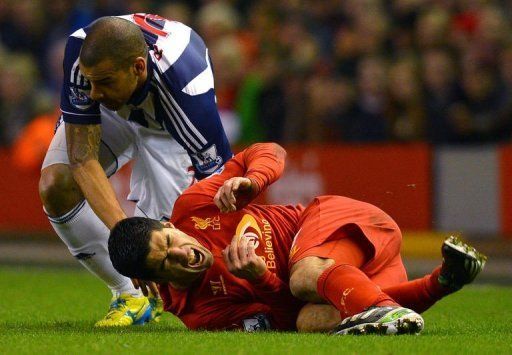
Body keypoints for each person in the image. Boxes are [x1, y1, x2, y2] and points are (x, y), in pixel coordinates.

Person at [108, 142, 486, 333]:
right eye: (166, 263)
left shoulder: (195, 206)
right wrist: (262, 278)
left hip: (346, 224)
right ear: (155, 282)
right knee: (310, 321)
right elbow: (286, 320)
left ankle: (381, 307)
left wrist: (253, 179)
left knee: (304, 275)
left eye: (170, 242)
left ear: (168, 226)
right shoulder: (201, 314)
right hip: (357, 278)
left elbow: (269, 150)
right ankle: (442, 281)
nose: (182, 255)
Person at [38, 14, 232, 327]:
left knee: (170, 243)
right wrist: (125, 239)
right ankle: (129, 295)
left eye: (104, 82)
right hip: (118, 107)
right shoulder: (83, 55)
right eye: (90, 82)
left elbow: (222, 187)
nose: (94, 93)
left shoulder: (189, 97)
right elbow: (82, 158)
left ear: (138, 67)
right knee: (56, 185)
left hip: (166, 126)